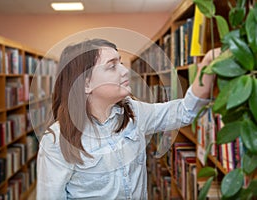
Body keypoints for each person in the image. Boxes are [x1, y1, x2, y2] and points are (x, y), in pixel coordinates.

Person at [36, 38, 220, 199]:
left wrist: (208, 66)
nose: (125, 72)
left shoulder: (134, 113)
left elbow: (185, 111)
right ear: (86, 84)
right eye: (112, 66)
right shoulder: (56, 141)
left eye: (121, 63)